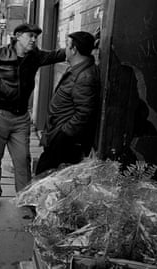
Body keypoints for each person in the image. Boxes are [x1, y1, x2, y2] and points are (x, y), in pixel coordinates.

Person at [0, 23, 66, 209]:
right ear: (18, 35)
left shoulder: (35, 57)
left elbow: (58, 55)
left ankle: (25, 197)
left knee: (23, 158)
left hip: (20, 117)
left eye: (36, 37)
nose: (34, 40)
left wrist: (89, 43)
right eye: (30, 36)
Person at [35, 31, 100, 175]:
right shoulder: (78, 69)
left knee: (43, 177)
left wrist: (63, 135)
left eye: (67, 45)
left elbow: (84, 113)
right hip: (57, 136)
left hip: (64, 142)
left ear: (74, 49)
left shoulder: (84, 76)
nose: (65, 49)